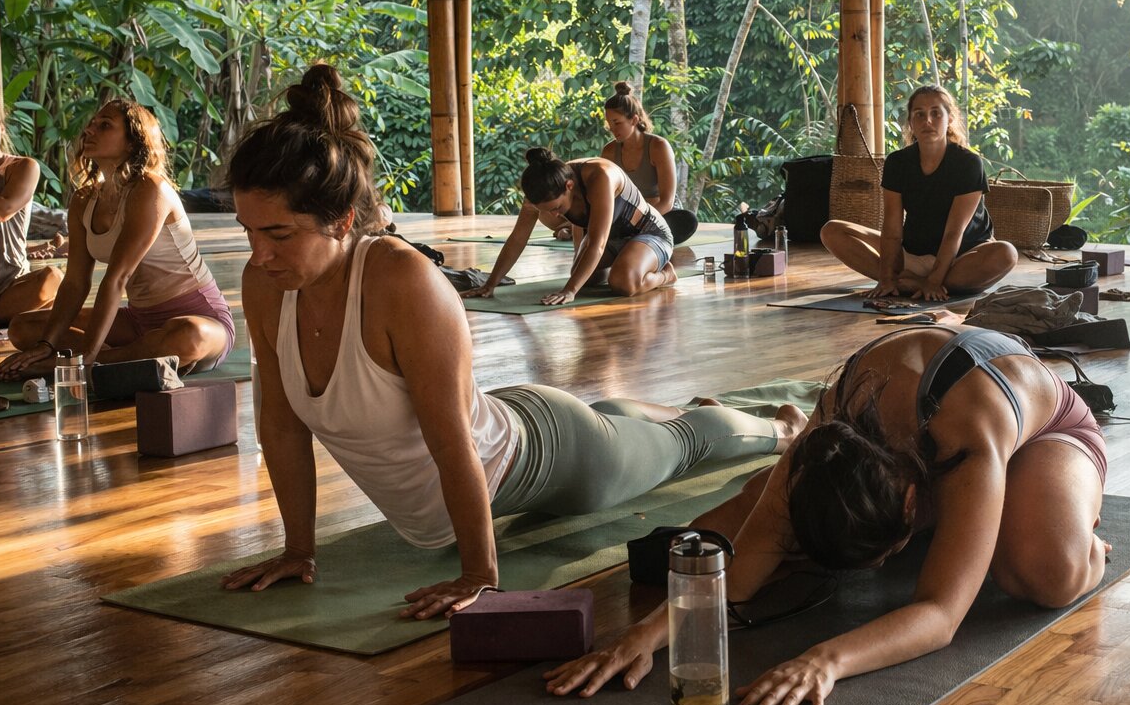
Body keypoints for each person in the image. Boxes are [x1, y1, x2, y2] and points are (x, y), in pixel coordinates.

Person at [219, 65, 805, 616]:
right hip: (512, 420)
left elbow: (453, 442)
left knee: (680, 446)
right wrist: (299, 550)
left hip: (544, 456)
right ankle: (683, 412)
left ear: (344, 220)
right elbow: (280, 425)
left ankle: (779, 428)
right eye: (248, 232)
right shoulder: (266, 283)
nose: (259, 254)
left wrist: (480, 575)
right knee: (616, 422)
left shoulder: (397, 279)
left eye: (278, 233)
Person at [544, 324, 1109, 705]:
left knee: (1041, 573)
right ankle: (962, 527)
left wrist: (824, 661)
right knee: (726, 531)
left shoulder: (967, 434)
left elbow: (939, 615)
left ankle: (1087, 538)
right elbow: (738, 579)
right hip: (928, 457)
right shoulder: (824, 439)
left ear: (913, 506)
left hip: (1047, 433)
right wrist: (643, 636)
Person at [0, 99, 235, 379]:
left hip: (201, 320)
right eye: (92, 124)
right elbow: (75, 282)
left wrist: (86, 355)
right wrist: (46, 344)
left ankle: (84, 363)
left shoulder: (150, 188)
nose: (89, 130)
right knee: (24, 328)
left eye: (105, 125)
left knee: (187, 338)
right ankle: (123, 358)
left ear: (133, 143)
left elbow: (117, 277)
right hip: (137, 321)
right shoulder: (84, 200)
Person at [820, 85, 1017, 301]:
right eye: (919, 114)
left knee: (1007, 253)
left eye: (936, 113)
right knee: (832, 231)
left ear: (949, 118)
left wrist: (933, 281)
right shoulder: (897, 162)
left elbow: (954, 233)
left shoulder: (968, 163)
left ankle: (922, 283)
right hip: (912, 253)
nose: (928, 121)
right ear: (911, 122)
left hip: (961, 257)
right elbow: (892, 229)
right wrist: (885, 277)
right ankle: (902, 281)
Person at [476, 149, 677, 306]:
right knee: (585, 278)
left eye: (557, 208)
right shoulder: (538, 190)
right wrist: (490, 284)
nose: (556, 216)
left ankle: (666, 274)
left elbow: (597, 244)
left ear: (569, 186)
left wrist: (570, 291)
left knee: (623, 283)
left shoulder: (600, 176)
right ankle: (629, 262)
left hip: (650, 234)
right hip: (615, 241)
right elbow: (518, 238)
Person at [0, 95, 60, 333]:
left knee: (52, 278)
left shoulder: (23, 167)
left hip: (10, 286)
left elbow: (3, 210)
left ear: (1, 126)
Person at [600, 81, 698, 244]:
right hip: (625, 217)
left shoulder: (659, 147)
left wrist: (638, 223)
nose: (612, 128)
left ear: (634, 120)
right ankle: (632, 236)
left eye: (617, 123)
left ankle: (635, 236)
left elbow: (666, 202)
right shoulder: (609, 151)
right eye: (609, 124)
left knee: (686, 221)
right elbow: (605, 195)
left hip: (661, 214)